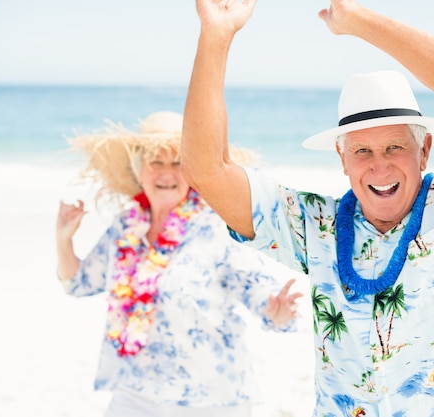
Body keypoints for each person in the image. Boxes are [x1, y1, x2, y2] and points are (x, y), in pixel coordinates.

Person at [180, 1, 434, 416]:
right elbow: (206, 170)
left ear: (424, 150)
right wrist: (216, 35)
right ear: (342, 159)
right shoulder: (315, 227)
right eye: (362, 151)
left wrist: (356, 21)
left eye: (395, 147)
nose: (379, 165)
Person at [55, 111, 302, 417]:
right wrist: (63, 239)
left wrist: (276, 309)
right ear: (139, 171)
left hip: (210, 398)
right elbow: (78, 283)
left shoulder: (217, 226)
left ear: (192, 173)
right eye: (156, 162)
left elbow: (255, 287)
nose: (166, 173)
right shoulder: (126, 226)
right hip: (133, 391)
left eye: (178, 163)